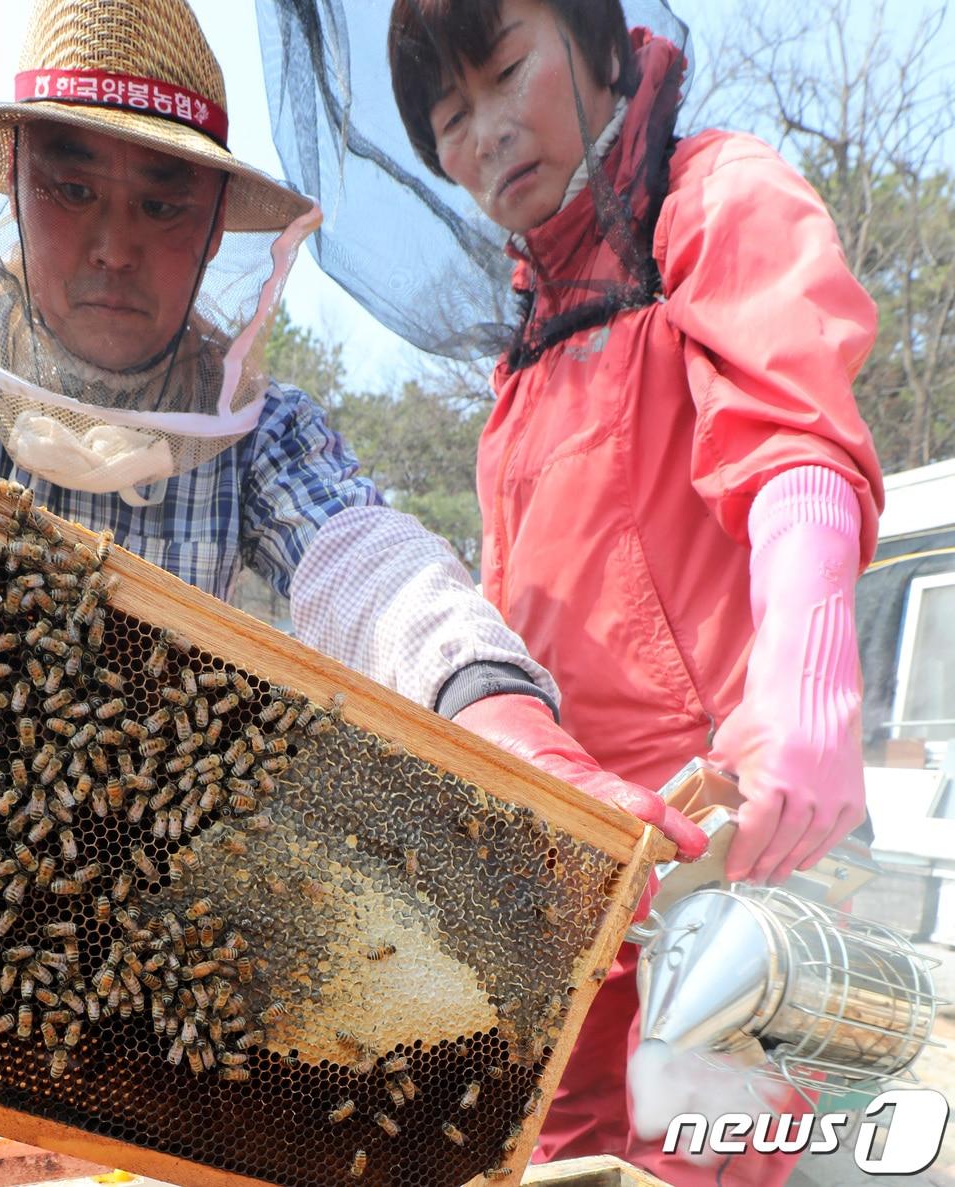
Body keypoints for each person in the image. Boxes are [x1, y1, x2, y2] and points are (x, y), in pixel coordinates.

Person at [0, 1, 704, 1182]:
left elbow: (363, 554)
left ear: (214, 233)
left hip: (93, 952)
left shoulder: (260, 430)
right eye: (72, 187)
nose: (113, 242)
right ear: (12, 187)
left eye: (161, 204)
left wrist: (494, 708)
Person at [262, 0, 882, 1182]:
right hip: (576, 892)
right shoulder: (521, 359)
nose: (483, 134)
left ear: (598, 45)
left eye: (502, 74)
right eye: (447, 119)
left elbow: (792, 434)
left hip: (735, 862)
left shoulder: (709, 199)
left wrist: (809, 668)